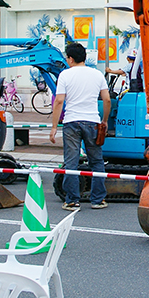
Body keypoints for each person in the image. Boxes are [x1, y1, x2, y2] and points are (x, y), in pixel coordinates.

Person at [50, 42, 111, 210]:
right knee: (96, 161)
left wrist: (54, 126)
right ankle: (98, 200)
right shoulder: (97, 74)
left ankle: (72, 200)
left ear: (70, 58)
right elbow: (106, 99)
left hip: (71, 122)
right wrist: (104, 121)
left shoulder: (65, 75)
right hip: (92, 121)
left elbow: (59, 101)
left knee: (71, 162)